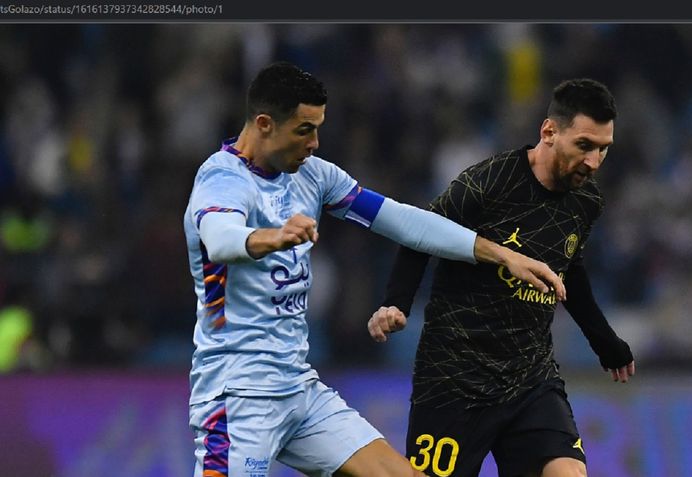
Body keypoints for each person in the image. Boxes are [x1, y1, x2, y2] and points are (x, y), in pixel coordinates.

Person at [183, 61, 566, 477]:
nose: (314, 142)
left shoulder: (314, 175)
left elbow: (403, 221)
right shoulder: (221, 179)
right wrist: (272, 237)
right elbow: (220, 239)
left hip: (299, 391)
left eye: (318, 128)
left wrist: (501, 254)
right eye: (304, 129)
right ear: (264, 124)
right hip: (237, 396)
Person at [368, 78, 635, 477]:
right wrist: (396, 302)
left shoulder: (587, 200)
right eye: (584, 146)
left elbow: (569, 270)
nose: (594, 162)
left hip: (531, 380)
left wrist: (604, 340)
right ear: (549, 132)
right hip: (454, 378)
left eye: (603, 149)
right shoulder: (487, 183)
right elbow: (419, 233)